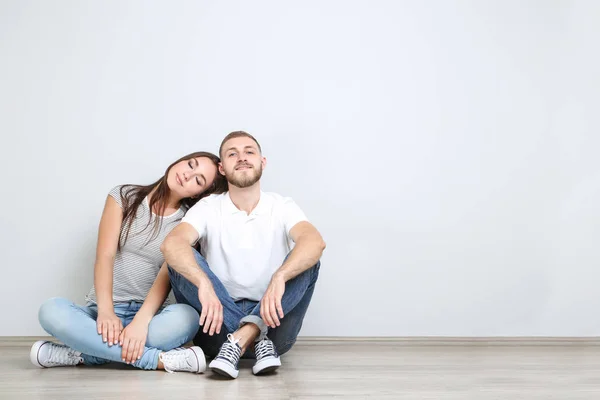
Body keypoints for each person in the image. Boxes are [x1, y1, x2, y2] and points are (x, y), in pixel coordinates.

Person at [31, 151, 227, 373]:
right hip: (100, 312)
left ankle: (83, 353)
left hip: (148, 317)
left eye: (198, 180)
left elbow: (165, 278)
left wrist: (140, 323)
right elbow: (105, 256)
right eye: (190, 165)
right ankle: (155, 359)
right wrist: (106, 312)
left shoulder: (188, 223)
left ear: (197, 195)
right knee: (50, 310)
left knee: (188, 317)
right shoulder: (124, 196)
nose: (187, 175)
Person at [161, 131, 326, 379]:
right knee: (180, 260)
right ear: (222, 168)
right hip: (216, 334)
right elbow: (172, 244)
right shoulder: (208, 207)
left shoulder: (281, 205)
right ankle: (250, 334)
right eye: (232, 153)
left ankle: (244, 336)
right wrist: (203, 284)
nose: (242, 158)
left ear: (262, 162)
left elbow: (314, 241)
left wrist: (280, 277)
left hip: (275, 332)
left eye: (249, 151)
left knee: (307, 260)